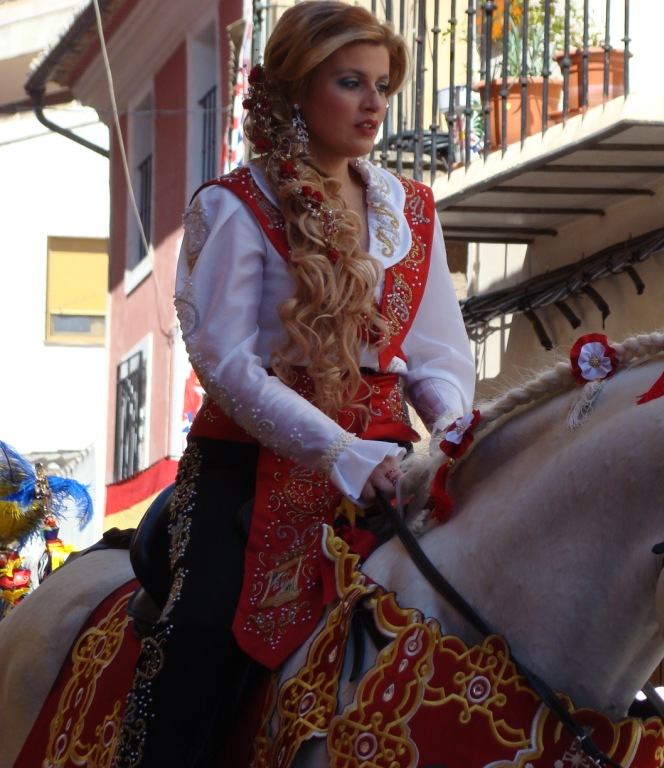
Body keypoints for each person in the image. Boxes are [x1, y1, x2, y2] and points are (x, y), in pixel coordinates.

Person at [114, 2, 475, 765]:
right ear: (295, 91)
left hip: (391, 471)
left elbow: (438, 355)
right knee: (204, 631)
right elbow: (228, 366)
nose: (375, 103)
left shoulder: (410, 210)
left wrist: (451, 439)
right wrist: (344, 454)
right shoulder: (235, 208)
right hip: (252, 470)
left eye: (383, 85)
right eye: (352, 83)